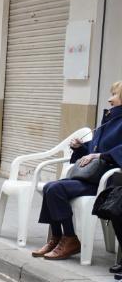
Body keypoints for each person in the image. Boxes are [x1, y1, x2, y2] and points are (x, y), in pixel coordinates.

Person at [34, 82, 122, 262]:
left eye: (115, 94)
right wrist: (80, 148)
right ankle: (58, 237)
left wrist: (102, 155)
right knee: (50, 187)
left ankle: (70, 239)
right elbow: (92, 149)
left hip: (105, 184)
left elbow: (111, 152)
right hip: (90, 177)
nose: (109, 98)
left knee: (56, 189)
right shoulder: (109, 120)